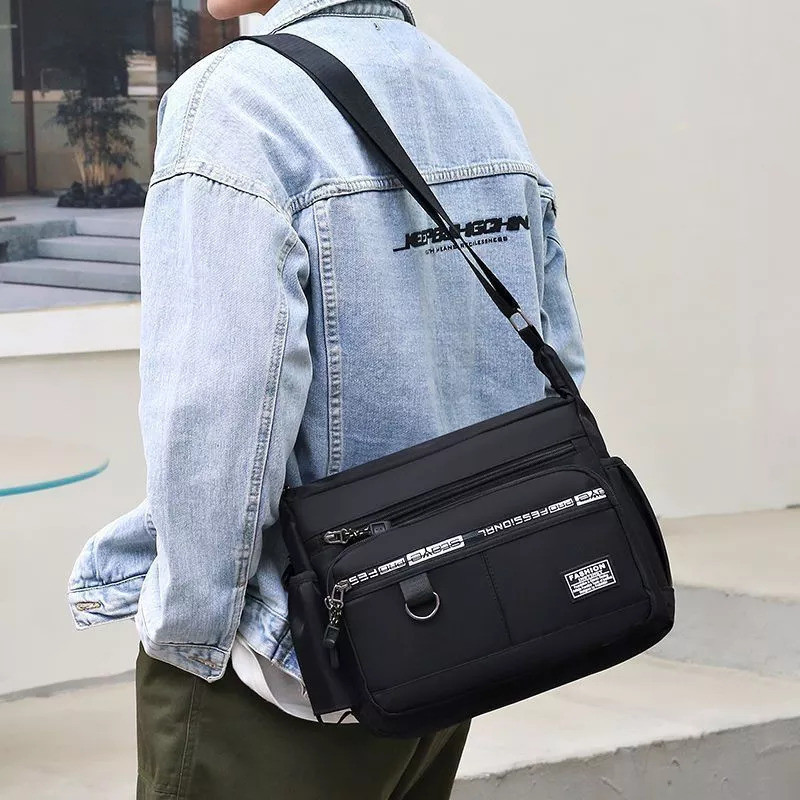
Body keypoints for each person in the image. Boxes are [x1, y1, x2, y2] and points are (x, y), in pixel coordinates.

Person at [67, 0, 586, 797]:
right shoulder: (475, 100)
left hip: (291, 665)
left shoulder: (238, 101)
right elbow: (557, 370)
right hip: (450, 637)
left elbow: (221, 413)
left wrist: (189, 639)